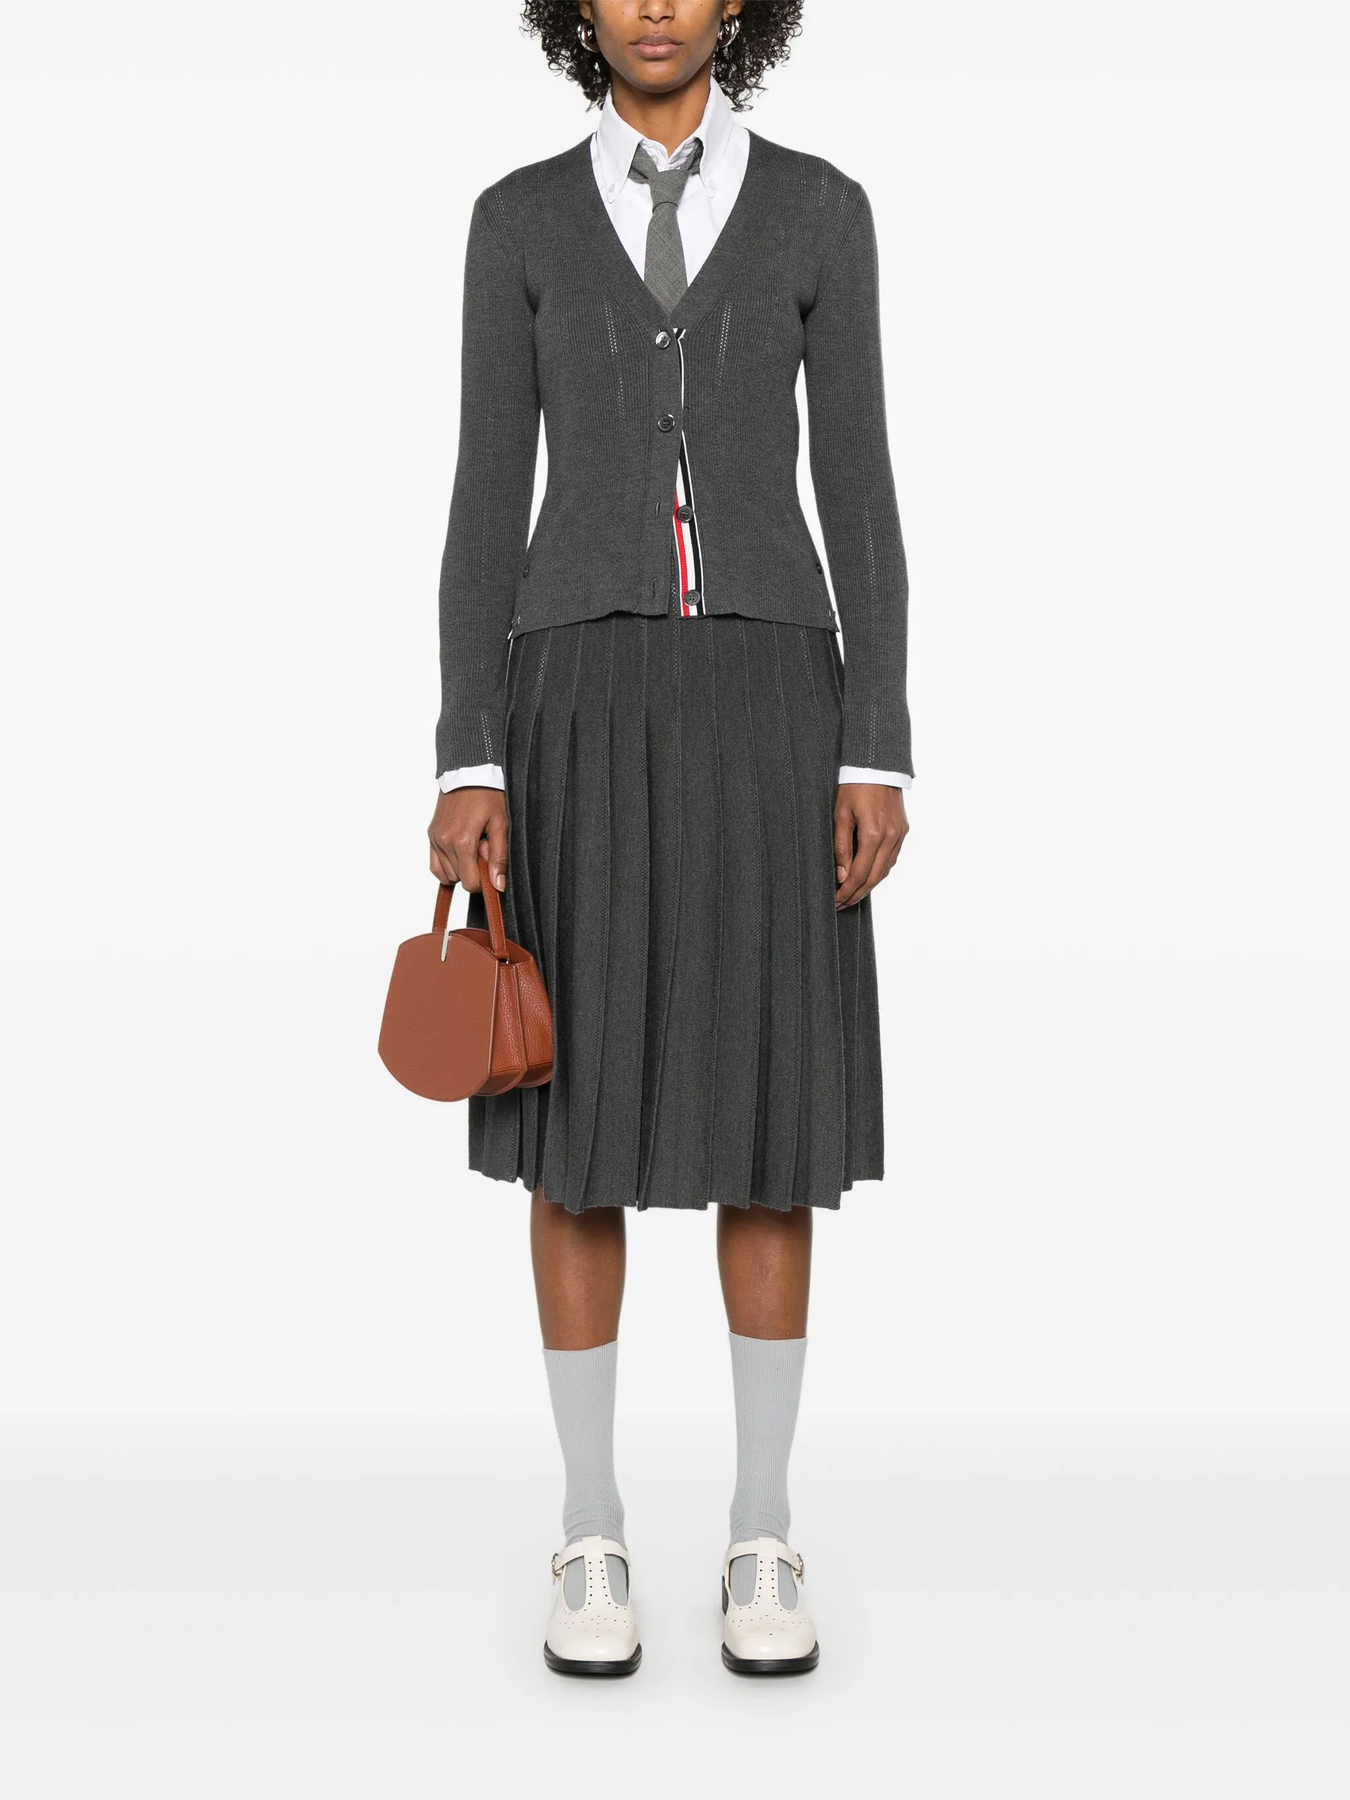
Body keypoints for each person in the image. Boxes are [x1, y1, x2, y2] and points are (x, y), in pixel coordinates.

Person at [426, 0, 911, 1677]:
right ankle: (589, 1527)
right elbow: (486, 493)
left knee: (768, 1114)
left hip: (774, 701)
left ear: (736, 7)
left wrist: (876, 741)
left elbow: (860, 486)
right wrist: (467, 750)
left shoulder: (820, 211)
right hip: (572, 700)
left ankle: (762, 1529)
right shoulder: (516, 221)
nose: (652, 3)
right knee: (576, 1124)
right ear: (574, 8)